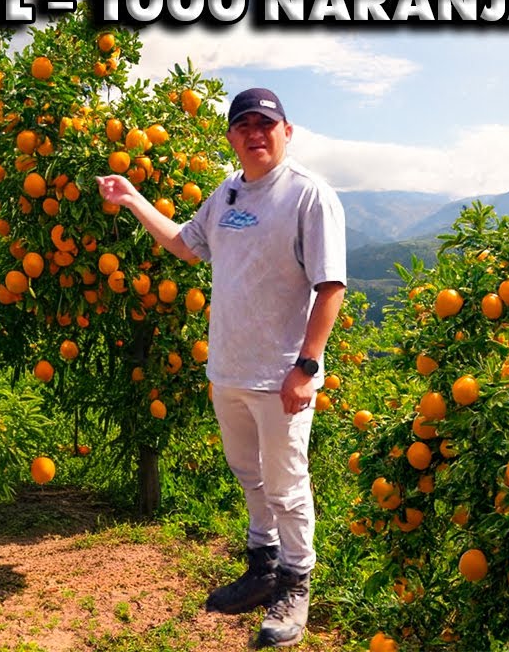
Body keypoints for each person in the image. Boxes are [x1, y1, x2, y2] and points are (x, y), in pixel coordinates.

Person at [96, 87, 347, 648]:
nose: (255, 133)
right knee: (249, 475)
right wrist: (133, 199)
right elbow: (186, 246)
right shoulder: (227, 192)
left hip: (281, 376)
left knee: (286, 487)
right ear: (232, 137)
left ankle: (296, 584)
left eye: (266, 124)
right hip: (228, 371)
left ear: (287, 132)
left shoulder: (309, 195)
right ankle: (263, 566)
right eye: (243, 125)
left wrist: (307, 366)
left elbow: (331, 286)